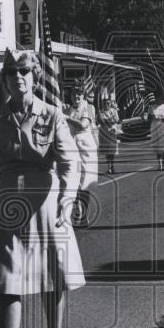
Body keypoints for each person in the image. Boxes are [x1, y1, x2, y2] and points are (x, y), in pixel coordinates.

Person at [0, 49, 84, 328]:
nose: (18, 78)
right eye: (11, 73)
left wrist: (67, 199)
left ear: (35, 76)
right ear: (5, 80)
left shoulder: (52, 114)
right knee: (7, 279)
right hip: (6, 202)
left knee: (52, 274)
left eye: (24, 72)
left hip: (47, 201)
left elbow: (70, 162)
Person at [64, 88, 98, 227]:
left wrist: (66, 118)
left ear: (83, 96)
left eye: (79, 94)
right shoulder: (67, 110)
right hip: (71, 147)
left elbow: (84, 125)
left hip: (86, 149)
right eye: (73, 94)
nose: (76, 96)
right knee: (73, 181)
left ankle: (83, 214)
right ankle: (76, 211)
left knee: (84, 182)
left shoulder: (89, 107)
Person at [99, 96, 122, 175]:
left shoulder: (113, 111)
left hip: (112, 132)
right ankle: (109, 167)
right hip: (105, 132)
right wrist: (109, 120)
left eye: (108, 103)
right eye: (105, 103)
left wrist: (113, 118)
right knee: (107, 151)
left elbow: (117, 120)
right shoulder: (101, 112)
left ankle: (111, 166)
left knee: (112, 150)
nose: (107, 105)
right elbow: (101, 121)